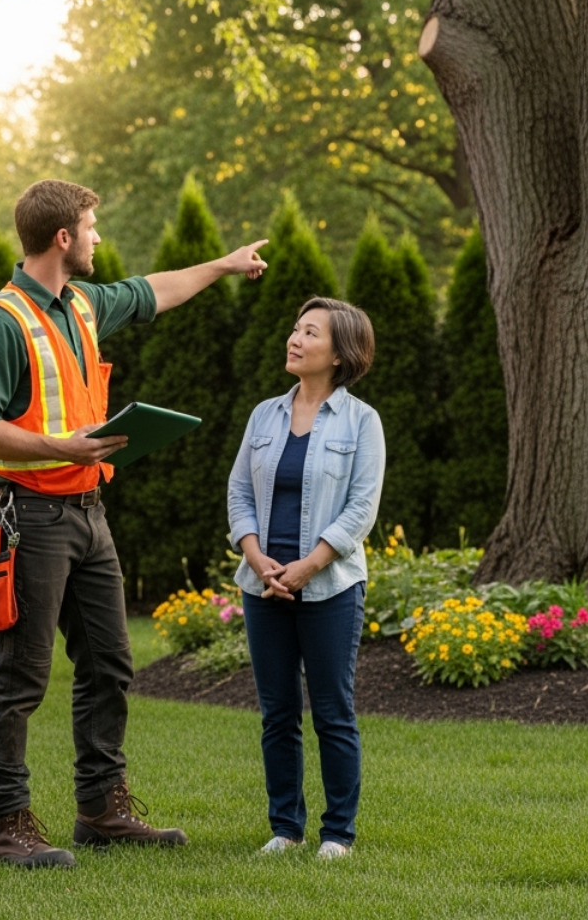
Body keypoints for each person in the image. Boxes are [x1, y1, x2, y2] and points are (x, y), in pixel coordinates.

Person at [0, 178, 267, 868]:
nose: (98, 239)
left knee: (110, 664)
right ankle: (6, 824)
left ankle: (101, 810)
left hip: (90, 516)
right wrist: (61, 448)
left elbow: (157, 289)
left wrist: (223, 264)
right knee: (21, 674)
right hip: (28, 519)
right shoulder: (2, 322)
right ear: (63, 238)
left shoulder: (85, 304)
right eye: (91, 228)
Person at [226, 296, 384, 859]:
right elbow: (239, 492)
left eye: (310, 333)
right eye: (295, 329)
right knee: (277, 713)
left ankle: (337, 833)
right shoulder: (264, 415)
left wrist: (308, 565)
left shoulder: (362, 422)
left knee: (333, 712)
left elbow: (361, 509)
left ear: (339, 354)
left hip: (331, 588)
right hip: (263, 585)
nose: (295, 339)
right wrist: (255, 555)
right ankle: (284, 829)